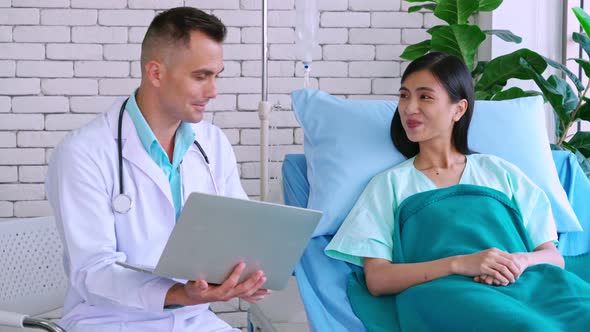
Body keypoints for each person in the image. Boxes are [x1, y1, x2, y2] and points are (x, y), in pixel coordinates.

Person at [325, 52, 590, 330]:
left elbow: (552, 257)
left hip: (527, 283)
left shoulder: (500, 172)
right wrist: (462, 264)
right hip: (448, 293)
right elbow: (378, 280)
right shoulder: (389, 185)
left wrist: (515, 262)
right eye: (404, 96)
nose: (408, 108)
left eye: (424, 97)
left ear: (458, 109)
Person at [46, 7, 269, 332]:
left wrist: (244, 276)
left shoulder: (212, 142)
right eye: (201, 76)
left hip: (195, 320)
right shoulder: (83, 153)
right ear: (155, 73)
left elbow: (239, 231)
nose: (213, 92)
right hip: (111, 322)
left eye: (216, 75)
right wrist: (180, 293)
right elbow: (92, 272)